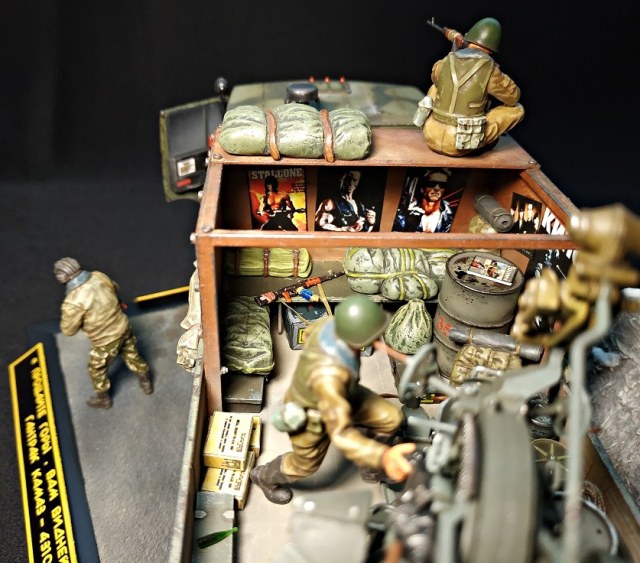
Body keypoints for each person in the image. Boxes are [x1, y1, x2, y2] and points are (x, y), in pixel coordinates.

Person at [250, 295, 415, 504]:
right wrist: (382, 455)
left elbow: (309, 333)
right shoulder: (329, 377)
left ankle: (371, 468)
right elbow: (341, 433)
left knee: (390, 418)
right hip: (314, 413)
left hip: (345, 392)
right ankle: (263, 476)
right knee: (303, 465)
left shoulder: (329, 323)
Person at [53, 257, 152, 409]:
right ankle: (146, 382)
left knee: (96, 369)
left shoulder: (72, 302)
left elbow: (68, 330)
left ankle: (103, 398)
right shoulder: (98, 276)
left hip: (105, 341)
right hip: (123, 327)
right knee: (132, 355)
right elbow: (114, 287)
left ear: (62, 278)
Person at [421, 17, 524, 156]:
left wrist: (454, 53)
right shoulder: (490, 69)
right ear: (492, 49)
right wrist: (496, 73)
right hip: (461, 143)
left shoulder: (446, 60)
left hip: (431, 135)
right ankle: (480, 139)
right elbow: (513, 97)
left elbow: (435, 76)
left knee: (435, 88)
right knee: (517, 109)